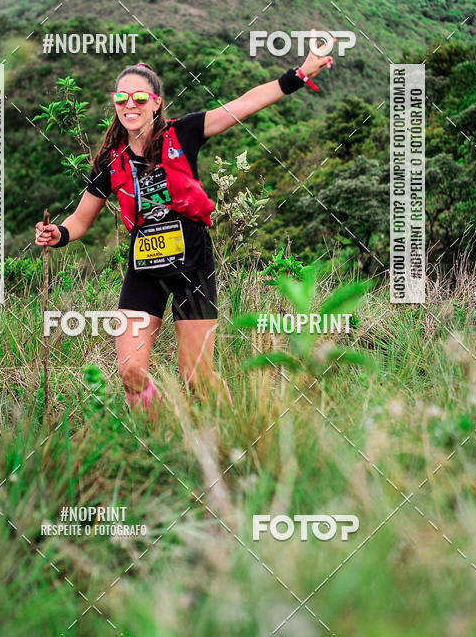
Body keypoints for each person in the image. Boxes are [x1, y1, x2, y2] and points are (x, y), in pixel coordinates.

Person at [35, 46, 334, 417]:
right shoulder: (110, 161)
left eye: (140, 97)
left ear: (156, 102)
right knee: (130, 371)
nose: (131, 104)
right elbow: (79, 221)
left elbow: (242, 105)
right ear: (114, 103)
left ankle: (231, 437)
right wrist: (57, 234)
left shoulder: (184, 133)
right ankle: (166, 438)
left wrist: (299, 74)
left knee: (197, 378)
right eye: (122, 98)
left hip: (191, 262)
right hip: (144, 269)